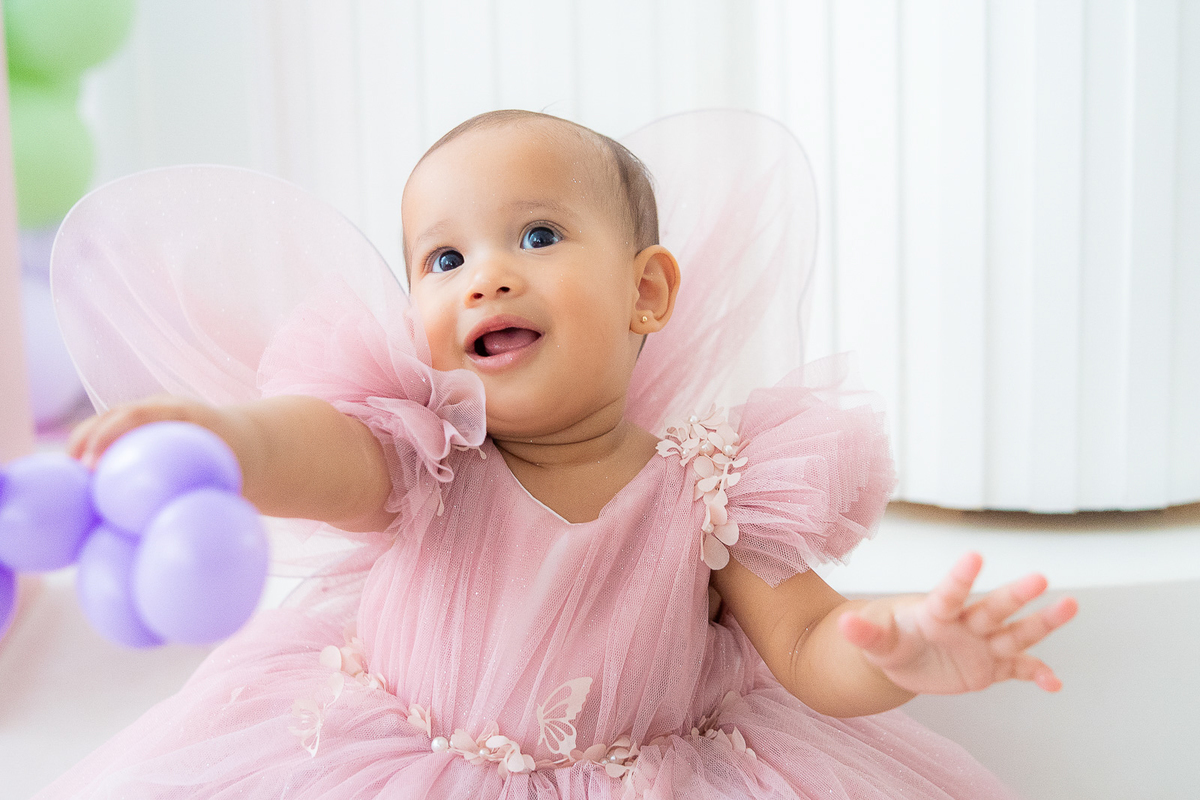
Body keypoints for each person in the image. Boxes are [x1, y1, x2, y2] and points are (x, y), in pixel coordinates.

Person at [38, 109, 1075, 798]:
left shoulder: (715, 488)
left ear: (646, 292)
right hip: (393, 762)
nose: (485, 277)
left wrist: (894, 653)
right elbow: (312, 446)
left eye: (537, 236)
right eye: (446, 257)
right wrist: (223, 437)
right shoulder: (427, 452)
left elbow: (807, 642)